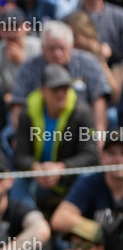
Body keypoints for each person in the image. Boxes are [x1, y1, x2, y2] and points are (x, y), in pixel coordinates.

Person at [13, 63, 99, 213]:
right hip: (40, 179)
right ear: (42, 90)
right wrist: (36, 168)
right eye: (55, 89)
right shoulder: (28, 114)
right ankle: (28, 219)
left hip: (72, 179)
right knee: (19, 180)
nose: (61, 94)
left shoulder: (83, 113)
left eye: (65, 88)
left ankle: (77, 219)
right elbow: (20, 155)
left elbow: (90, 154)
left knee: (88, 176)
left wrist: (61, 168)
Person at [50, 134, 123, 250]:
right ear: (102, 157)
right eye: (111, 153)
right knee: (66, 248)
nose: (118, 159)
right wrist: (100, 231)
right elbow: (59, 219)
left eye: (122, 153)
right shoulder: (90, 182)